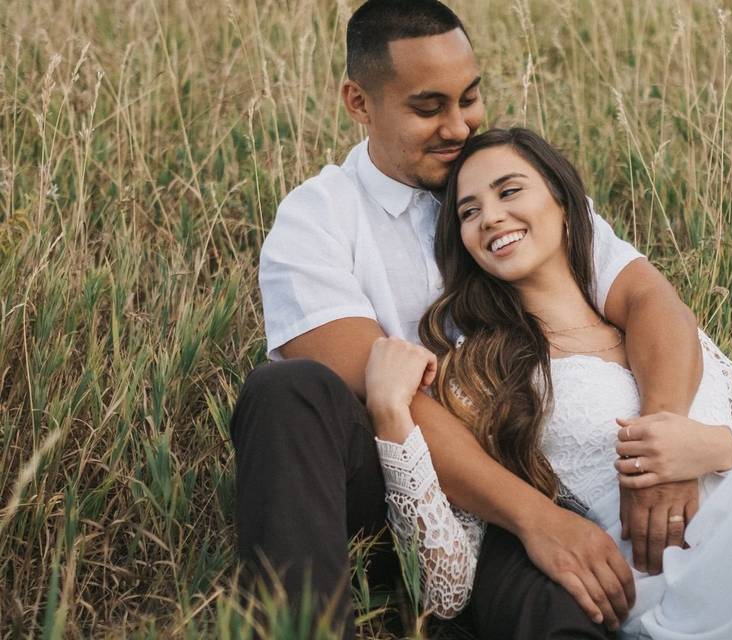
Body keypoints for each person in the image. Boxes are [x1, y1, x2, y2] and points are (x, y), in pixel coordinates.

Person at [365, 127, 732, 639]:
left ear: (566, 205)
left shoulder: (665, 336)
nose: (490, 216)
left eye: (509, 191)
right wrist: (393, 415)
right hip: (682, 580)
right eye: (468, 211)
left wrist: (709, 447)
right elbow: (445, 584)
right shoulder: (482, 369)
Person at [229, 0, 706, 637]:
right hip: (394, 481)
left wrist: (661, 440)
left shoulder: (509, 187)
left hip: (531, 481)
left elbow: (649, 300)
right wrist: (538, 519)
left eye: (470, 97)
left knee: (567, 615)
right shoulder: (317, 219)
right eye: (428, 108)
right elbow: (384, 394)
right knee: (288, 392)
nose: (458, 125)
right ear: (358, 102)